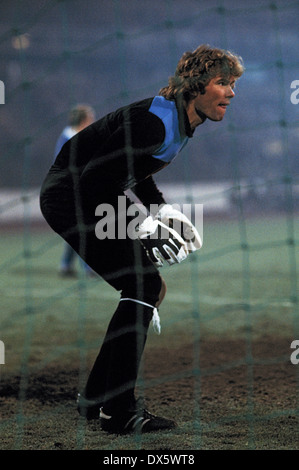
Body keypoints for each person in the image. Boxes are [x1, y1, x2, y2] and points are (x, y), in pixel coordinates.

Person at [40, 44, 244, 434]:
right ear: (196, 85)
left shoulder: (178, 120)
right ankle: (117, 412)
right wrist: (144, 224)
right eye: (222, 83)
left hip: (83, 194)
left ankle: (98, 397)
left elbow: (132, 168)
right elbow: (97, 178)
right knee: (144, 284)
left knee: (148, 287)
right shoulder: (155, 122)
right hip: (71, 197)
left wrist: (160, 209)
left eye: (232, 84)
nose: (231, 93)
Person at [54, 104, 96, 277]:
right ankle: (88, 268)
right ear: (84, 120)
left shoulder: (85, 136)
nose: (93, 120)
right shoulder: (67, 138)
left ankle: (65, 265)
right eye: (90, 118)